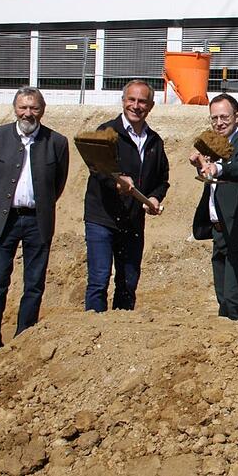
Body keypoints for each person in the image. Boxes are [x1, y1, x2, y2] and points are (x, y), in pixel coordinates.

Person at [0, 87, 69, 357]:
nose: (28, 113)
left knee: (34, 284)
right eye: (23, 107)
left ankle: (23, 339)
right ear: (15, 108)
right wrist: (0, 205)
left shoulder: (56, 142)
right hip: (4, 220)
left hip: (37, 221)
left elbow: (58, 183)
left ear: (42, 110)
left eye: (34, 108)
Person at [84, 79, 170, 312]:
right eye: (131, 100)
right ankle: (92, 332)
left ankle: (119, 334)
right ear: (123, 102)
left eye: (142, 101)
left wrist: (154, 197)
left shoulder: (154, 142)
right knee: (99, 280)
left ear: (150, 106)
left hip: (132, 222)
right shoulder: (106, 132)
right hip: (102, 219)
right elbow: (96, 167)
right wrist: (116, 181)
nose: (136, 105)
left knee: (128, 282)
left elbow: (162, 180)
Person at [191, 94, 238, 320]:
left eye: (224, 117)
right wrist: (202, 165)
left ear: (237, 116)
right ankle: (235, 344)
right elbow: (214, 180)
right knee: (224, 296)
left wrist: (218, 168)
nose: (219, 122)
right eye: (214, 118)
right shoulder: (215, 144)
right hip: (220, 230)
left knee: (232, 296)